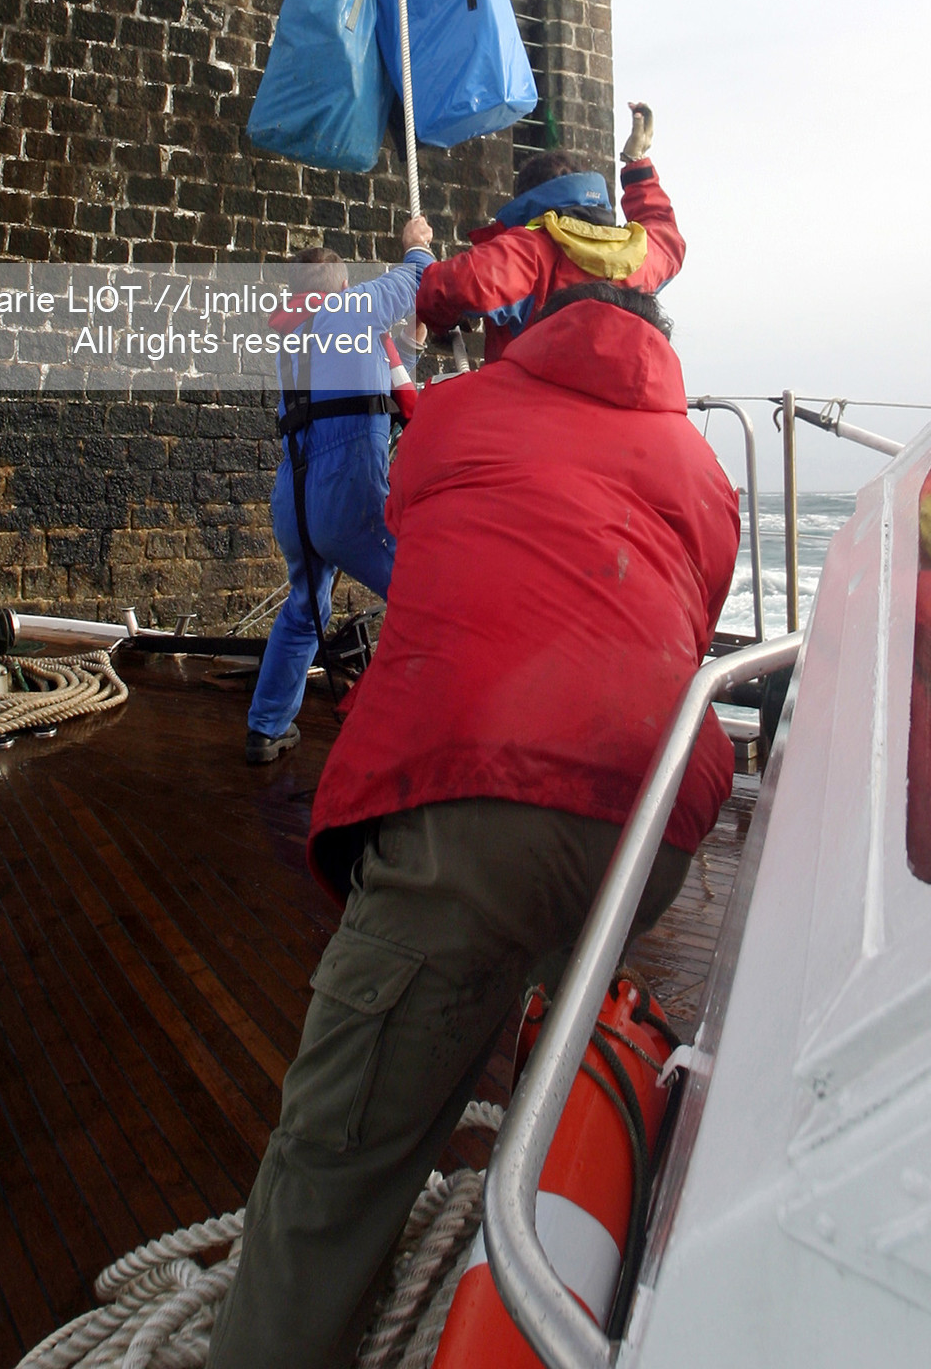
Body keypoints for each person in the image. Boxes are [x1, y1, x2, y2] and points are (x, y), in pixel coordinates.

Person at [207, 277, 741, 1369]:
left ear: (534, 335)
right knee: (540, 991)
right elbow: (695, 598)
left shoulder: (460, 409)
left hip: (473, 790)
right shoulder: (704, 468)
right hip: (654, 828)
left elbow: (399, 515)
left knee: (338, 1155)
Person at [245, 217, 434, 766]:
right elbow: (416, 279)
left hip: (294, 497)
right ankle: (412, 732)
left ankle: (266, 728)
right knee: (422, 598)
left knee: (304, 609)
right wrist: (415, 246)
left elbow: (364, 380)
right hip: (346, 494)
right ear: (343, 289)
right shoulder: (348, 311)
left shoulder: (294, 339)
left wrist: (408, 346)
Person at [415, 102, 683, 362]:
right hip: (619, 404)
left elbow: (448, 286)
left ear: (526, 200)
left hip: (534, 403)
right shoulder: (635, 254)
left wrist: (418, 253)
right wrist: (636, 160)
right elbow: (666, 237)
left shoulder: (528, 250)